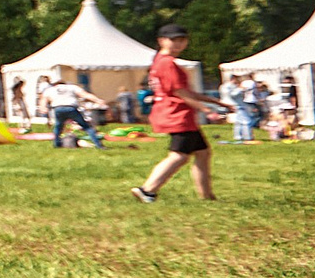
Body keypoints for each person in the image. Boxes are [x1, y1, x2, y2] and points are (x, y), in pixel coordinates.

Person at [130, 25, 228, 203]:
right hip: (176, 114)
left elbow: (186, 92)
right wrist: (207, 110)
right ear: (161, 41)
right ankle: (147, 190)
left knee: (203, 153)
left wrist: (217, 102)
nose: (178, 43)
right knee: (179, 155)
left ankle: (207, 196)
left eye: (182, 40)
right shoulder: (167, 63)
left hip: (178, 114)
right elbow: (180, 93)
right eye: (173, 40)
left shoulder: (160, 61)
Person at [46, 76, 106, 148]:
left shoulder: (50, 89)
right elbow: (85, 95)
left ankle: (56, 144)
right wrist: (98, 100)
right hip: (71, 108)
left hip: (58, 109)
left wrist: (43, 108)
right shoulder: (72, 87)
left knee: (58, 127)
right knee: (86, 127)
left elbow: (44, 99)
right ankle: (98, 145)